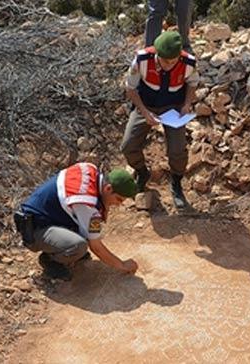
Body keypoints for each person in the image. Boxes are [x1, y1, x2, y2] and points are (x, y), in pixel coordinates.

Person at [14, 162, 138, 281]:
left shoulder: (90, 169)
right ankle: (50, 261)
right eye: (118, 199)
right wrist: (122, 265)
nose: (118, 204)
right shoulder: (87, 205)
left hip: (43, 216)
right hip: (34, 229)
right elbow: (96, 247)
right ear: (108, 188)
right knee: (79, 246)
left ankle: (64, 248)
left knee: (86, 233)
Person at [121, 31, 198, 209]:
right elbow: (130, 89)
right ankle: (142, 172)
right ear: (157, 53)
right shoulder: (141, 60)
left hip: (173, 108)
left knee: (178, 151)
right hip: (146, 105)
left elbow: (193, 83)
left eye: (173, 61)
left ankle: (176, 184)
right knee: (128, 145)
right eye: (165, 61)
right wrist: (145, 113)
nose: (169, 65)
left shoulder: (188, 63)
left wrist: (187, 104)